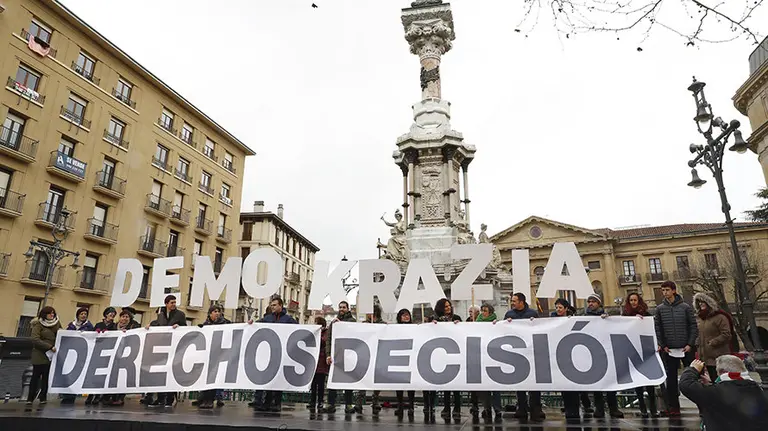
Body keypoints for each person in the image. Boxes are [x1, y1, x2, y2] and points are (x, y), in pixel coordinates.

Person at [680, 356, 768, 430]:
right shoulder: (756, 388)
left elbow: (686, 385)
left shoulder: (715, 393)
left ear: (723, 372)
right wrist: (712, 384)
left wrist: (693, 369)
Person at [654, 280, 698, 417]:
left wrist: (690, 344)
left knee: (693, 378)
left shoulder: (685, 307)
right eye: (663, 290)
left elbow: (693, 326)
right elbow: (658, 329)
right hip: (669, 350)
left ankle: (701, 405)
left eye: (667, 290)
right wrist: (664, 345)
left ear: (673, 290)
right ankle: (674, 407)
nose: (664, 292)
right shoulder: (660, 309)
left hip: (686, 349)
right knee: (671, 380)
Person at [500, 292, 544, 422]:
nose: (512, 303)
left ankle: (536, 407)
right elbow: (503, 331)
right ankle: (522, 407)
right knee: (519, 381)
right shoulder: (509, 315)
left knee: (534, 382)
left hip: (530, 352)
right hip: (516, 352)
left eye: (514, 301)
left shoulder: (532, 314)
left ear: (521, 302)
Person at [581, 293, 624, 419]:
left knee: (610, 383)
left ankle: (613, 408)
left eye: (593, 301)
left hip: (607, 353)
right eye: (589, 301)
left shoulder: (606, 316)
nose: (590, 304)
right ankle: (599, 408)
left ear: (598, 303)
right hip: (592, 353)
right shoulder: (584, 317)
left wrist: (608, 320)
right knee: (597, 384)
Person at [257, 296, 297, 412]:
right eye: (271, 305)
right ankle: (267, 402)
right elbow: (257, 325)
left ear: (280, 305)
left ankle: (277, 403)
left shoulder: (288, 319)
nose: (272, 307)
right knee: (268, 378)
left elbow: (299, 330)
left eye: (274, 305)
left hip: (281, 353)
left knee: (278, 379)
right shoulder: (268, 318)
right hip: (269, 353)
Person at [622, 292, 658, 418]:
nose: (633, 302)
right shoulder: (625, 315)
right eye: (631, 300)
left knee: (649, 383)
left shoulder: (646, 315)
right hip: (632, 352)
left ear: (639, 301)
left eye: (635, 300)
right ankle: (642, 408)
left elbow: (652, 329)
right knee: (637, 382)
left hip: (646, 352)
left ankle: (653, 408)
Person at [147, 295, 186, 407]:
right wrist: (150, 325)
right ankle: (160, 399)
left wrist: (179, 327)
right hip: (161, 347)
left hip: (174, 347)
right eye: (172, 302)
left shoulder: (180, 315)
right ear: (166, 304)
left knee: (170, 373)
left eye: (175, 302)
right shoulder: (160, 314)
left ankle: (170, 399)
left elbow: (184, 327)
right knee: (160, 374)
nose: (174, 304)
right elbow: (158, 324)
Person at [429, 298, 462, 422]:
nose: (448, 308)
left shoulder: (456, 317)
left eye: (449, 306)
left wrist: (459, 325)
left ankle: (457, 408)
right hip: (441, 354)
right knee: (447, 384)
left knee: (457, 385)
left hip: (455, 352)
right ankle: (447, 407)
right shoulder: (435, 319)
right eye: (445, 307)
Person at [323, 300, 357, 414]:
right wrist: (328, 355)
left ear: (348, 309)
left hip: (347, 356)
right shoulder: (334, 323)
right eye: (340, 307)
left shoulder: (352, 322)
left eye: (344, 307)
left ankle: (348, 404)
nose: (341, 309)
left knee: (348, 382)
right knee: (332, 381)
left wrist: (341, 325)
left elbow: (354, 336)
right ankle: (331, 404)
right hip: (335, 356)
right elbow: (329, 340)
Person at [693, 292, 736, 381]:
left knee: (719, 382)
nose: (701, 303)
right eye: (699, 302)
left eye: (703, 301)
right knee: (710, 383)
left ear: (710, 303)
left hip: (717, 356)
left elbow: (726, 334)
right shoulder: (702, 319)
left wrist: (713, 342)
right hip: (705, 358)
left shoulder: (720, 317)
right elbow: (702, 334)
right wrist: (698, 341)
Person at [197, 304, 231, 409]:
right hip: (208, 355)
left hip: (219, 354)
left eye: (218, 311)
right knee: (207, 378)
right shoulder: (205, 324)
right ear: (210, 313)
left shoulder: (225, 323)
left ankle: (211, 400)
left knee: (215, 378)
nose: (217, 313)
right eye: (214, 311)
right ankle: (205, 399)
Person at [27, 306, 61, 405]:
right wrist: (49, 346)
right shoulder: (38, 324)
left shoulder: (57, 324)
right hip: (39, 354)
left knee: (46, 377)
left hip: (51, 355)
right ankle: (30, 397)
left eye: (53, 313)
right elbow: (35, 339)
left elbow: (61, 334)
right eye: (50, 313)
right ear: (44, 314)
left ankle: (43, 397)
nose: (52, 315)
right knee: (35, 376)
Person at [109, 308, 143, 406]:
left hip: (125, 355)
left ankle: (120, 398)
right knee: (113, 377)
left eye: (127, 317)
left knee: (122, 377)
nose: (125, 319)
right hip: (113, 355)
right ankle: (110, 397)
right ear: (120, 318)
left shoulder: (132, 328)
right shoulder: (113, 327)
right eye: (123, 316)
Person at [61, 307, 94, 405]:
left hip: (82, 354)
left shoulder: (89, 326)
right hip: (70, 354)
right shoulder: (71, 325)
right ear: (78, 315)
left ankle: (72, 396)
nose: (83, 315)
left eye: (85, 314)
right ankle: (66, 395)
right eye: (82, 314)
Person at [355, 305, 385, 416]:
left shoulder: (382, 325)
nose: (368, 314)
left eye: (370, 312)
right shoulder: (364, 325)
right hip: (366, 355)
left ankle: (375, 400)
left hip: (378, 354)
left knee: (377, 379)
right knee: (363, 378)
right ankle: (359, 401)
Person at [475, 303, 502, 424]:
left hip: (494, 357)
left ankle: (497, 408)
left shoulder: (496, 323)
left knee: (495, 386)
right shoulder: (477, 322)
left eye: (485, 311)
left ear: (490, 312)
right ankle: (486, 408)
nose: (482, 313)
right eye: (481, 311)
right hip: (482, 357)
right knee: (484, 387)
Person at [394, 308, 416, 421]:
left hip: (411, 357)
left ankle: (411, 405)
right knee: (399, 384)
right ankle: (400, 405)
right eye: (403, 315)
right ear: (399, 317)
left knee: (410, 384)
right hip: (399, 358)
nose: (406, 317)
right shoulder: (395, 328)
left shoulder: (415, 328)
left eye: (407, 315)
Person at [308, 316, 329, 413]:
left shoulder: (326, 333)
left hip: (321, 361)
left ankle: (320, 401)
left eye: (315, 322)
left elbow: (324, 342)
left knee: (320, 384)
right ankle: (312, 401)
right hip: (314, 361)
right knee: (313, 384)